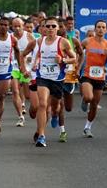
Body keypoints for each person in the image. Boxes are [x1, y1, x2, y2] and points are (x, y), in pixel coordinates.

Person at [33, 16, 76, 147]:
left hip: (57, 78)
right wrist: (35, 63)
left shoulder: (63, 42)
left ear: (57, 28)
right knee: (42, 104)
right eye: (48, 26)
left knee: (56, 107)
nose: (50, 28)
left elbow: (73, 58)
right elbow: (38, 55)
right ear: (43, 28)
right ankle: (41, 136)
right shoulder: (40, 41)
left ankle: (55, 115)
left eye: (53, 26)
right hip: (43, 77)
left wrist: (63, 60)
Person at [0, 17, 25, 137]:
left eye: (6, 25)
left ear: (8, 27)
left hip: (5, 71)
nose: (3, 27)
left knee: (1, 96)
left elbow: (18, 51)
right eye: (1, 24)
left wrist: (20, 66)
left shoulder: (12, 39)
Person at [80, 20, 107, 138]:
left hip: (100, 77)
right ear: (95, 29)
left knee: (95, 104)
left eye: (103, 27)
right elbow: (78, 53)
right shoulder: (86, 41)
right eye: (98, 27)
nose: (100, 29)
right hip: (87, 74)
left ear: (106, 30)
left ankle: (88, 127)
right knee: (88, 97)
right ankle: (85, 100)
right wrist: (76, 65)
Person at [57, 18, 83, 143]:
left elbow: (81, 54)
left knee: (68, 107)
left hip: (70, 75)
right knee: (59, 105)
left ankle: (55, 115)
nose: (62, 28)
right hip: (55, 76)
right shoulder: (52, 41)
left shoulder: (73, 40)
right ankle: (62, 130)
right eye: (60, 26)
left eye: (63, 26)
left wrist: (78, 68)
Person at [11, 17, 36, 127]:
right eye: (14, 26)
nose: (17, 28)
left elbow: (35, 51)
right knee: (15, 91)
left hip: (26, 68)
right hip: (14, 67)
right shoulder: (10, 37)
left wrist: (32, 61)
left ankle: (30, 105)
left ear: (23, 26)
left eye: (19, 26)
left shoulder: (29, 36)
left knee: (27, 95)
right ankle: (20, 116)